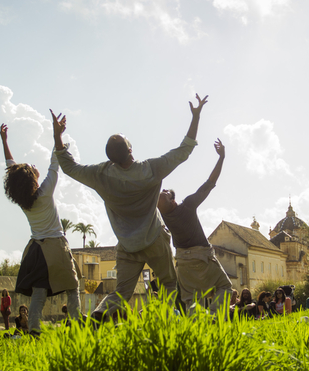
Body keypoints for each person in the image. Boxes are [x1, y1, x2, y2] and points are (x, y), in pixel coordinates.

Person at [51, 95, 207, 321]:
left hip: (127, 245)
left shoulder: (100, 175)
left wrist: (58, 135)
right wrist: (196, 117)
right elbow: (184, 150)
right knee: (170, 283)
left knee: (121, 293)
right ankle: (176, 322)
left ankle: (99, 314)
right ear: (131, 150)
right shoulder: (150, 169)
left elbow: (69, 166)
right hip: (154, 239)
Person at [0, 123, 80, 335]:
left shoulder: (22, 200)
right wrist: (57, 135)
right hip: (55, 246)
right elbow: (55, 161)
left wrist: (5, 142)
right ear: (32, 179)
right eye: (32, 169)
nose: (35, 167)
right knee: (73, 287)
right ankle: (76, 326)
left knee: (39, 292)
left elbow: (12, 169)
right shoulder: (45, 193)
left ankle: (34, 330)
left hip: (36, 249)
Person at [158, 139, 232, 315]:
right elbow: (209, 183)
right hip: (201, 256)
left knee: (191, 299)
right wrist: (222, 158)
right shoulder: (187, 205)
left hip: (183, 260)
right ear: (173, 200)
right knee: (225, 286)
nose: (164, 192)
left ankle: (197, 327)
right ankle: (213, 316)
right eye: (164, 193)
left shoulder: (163, 216)